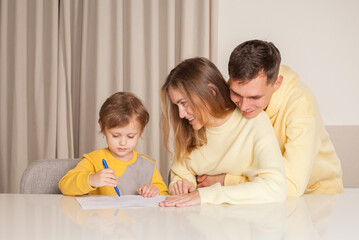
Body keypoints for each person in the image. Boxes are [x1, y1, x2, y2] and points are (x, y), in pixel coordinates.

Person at [197, 40, 344, 197]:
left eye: (255, 97)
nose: (244, 106)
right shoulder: (233, 91)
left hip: (316, 196)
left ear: (277, 84)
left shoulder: (301, 104)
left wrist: (227, 180)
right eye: (237, 94)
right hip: (261, 194)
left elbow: (291, 187)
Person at [159, 57, 286, 207]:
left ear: (211, 91)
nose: (181, 114)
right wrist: (181, 184)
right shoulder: (189, 129)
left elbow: (275, 188)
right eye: (177, 105)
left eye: (184, 103)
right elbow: (180, 172)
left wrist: (205, 194)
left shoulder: (255, 122)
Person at [59, 92, 168, 197]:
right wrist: (91, 180)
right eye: (116, 135)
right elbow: (64, 185)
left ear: (140, 132)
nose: (123, 142)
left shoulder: (147, 164)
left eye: (130, 136)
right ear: (103, 128)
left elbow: (164, 194)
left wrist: (155, 191)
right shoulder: (94, 160)